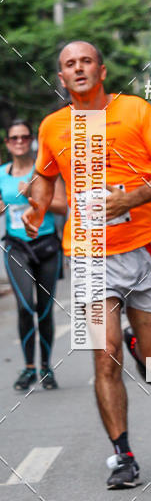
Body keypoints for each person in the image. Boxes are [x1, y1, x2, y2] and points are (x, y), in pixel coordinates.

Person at [23, 41, 151, 489]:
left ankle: (142, 347)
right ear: (62, 78)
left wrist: (130, 199)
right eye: (69, 64)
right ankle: (123, 455)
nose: (78, 68)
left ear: (102, 70)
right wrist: (38, 207)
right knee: (105, 354)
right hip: (89, 253)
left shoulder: (135, 111)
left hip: (143, 247)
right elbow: (45, 177)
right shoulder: (53, 126)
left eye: (86, 61)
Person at [1, 119, 67, 390]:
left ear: (31, 140)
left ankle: (46, 368)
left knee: (45, 310)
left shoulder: (46, 171)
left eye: (24, 137)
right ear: (7, 143)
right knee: (26, 306)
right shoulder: (1, 174)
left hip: (47, 245)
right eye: (14, 138)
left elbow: (62, 206)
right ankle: (29, 368)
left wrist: (35, 196)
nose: (19, 142)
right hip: (17, 247)